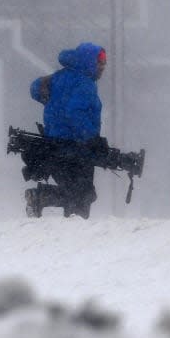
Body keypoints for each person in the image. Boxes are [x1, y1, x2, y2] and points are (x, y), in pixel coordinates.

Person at [25, 41, 107, 219]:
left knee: (74, 192)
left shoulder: (60, 77)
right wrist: (91, 138)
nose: (102, 67)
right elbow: (74, 112)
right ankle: (42, 199)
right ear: (88, 61)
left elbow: (35, 89)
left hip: (53, 146)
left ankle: (42, 198)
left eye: (104, 63)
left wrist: (43, 85)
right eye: (99, 62)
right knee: (82, 196)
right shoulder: (85, 84)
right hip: (76, 149)